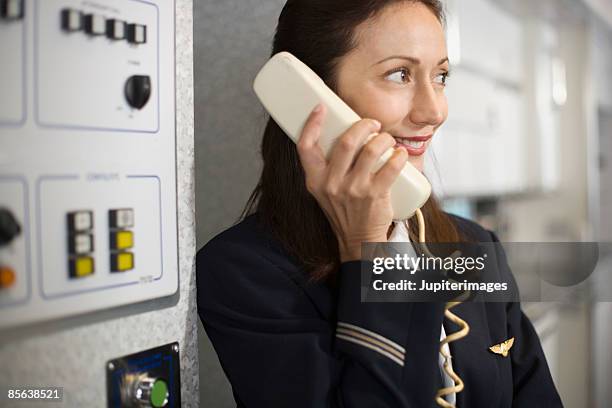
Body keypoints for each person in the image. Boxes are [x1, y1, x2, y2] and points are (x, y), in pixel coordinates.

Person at [196, 0, 563, 406]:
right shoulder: (243, 273)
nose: (435, 110)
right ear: (311, 97)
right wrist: (367, 250)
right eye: (399, 74)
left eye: (440, 75)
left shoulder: (475, 248)